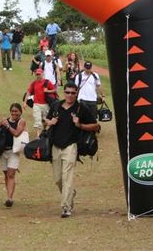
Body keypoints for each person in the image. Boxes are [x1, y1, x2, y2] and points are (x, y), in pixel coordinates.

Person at [45, 83, 99, 218]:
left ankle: (66, 208)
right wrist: (49, 122)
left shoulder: (81, 108)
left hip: (71, 146)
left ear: (77, 93)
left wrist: (80, 124)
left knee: (67, 177)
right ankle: (70, 194)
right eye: (67, 92)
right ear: (64, 93)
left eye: (73, 93)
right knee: (58, 179)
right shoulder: (56, 105)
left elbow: (96, 126)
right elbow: (46, 120)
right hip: (55, 146)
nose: (70, 95)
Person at [0, 103, 26, 208]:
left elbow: (16, 133)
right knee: (6, 174)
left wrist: (7, 125)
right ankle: (9, 195)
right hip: (2, 151)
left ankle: (10, 198)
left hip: (13, 151)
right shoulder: (4, 120)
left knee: (11, 174)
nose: (14, 113)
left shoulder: (21, 122)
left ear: (20, 112)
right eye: (12, 111)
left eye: (16, 111)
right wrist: (1, 124)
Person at [23, 68, 57, 137]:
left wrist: (47, 91)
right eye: (37, 74)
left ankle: (44, 132)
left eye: (39, 74)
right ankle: (38, 135)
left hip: (45, 104)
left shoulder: (47, 82)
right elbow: (28, 92)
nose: (38, 76)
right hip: (36, 104)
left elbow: (54, 90)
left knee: (45, 120)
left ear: (42, 74)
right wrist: (25, 102)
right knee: (37, 119)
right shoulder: (34, 83)